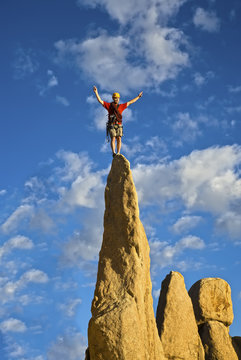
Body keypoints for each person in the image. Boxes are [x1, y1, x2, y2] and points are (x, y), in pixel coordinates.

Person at [93, 86, 143, 157]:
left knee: (119, 138)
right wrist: (96, 92)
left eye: (118, 98)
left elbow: (130, 102)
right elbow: (100, 101)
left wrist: (138, 97)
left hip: (119, 124)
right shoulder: (109, 105)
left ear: (119, 99)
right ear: (113, 98)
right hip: (112, 125)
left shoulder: (121, 106)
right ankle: (113, 152)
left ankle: (118, 152)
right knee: (113, 138)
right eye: (115, 98)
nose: (116, 99)